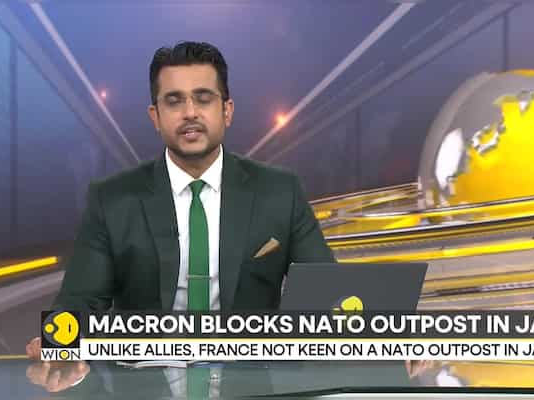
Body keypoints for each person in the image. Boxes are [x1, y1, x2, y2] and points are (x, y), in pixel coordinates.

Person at [26, 41, 334, 364]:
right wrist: (58, 343)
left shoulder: (281, 192)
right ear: (155, 116)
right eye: (174, 101)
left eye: (203, 98)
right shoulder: (111, 199)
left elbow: (326, 296)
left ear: (227, 111)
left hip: (251, 380)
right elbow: (80, 301)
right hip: (142, 380)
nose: (190, 113)